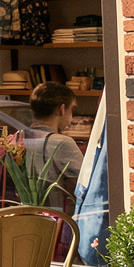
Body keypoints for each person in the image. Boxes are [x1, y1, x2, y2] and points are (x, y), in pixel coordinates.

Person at [25, 81, 85, 209]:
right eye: (71, 110)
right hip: (55, 220)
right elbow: (84, 186)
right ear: (62, 109)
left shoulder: (18, 138)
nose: (72, 118)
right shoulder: (62, 143)